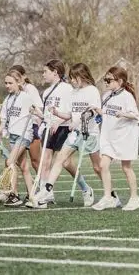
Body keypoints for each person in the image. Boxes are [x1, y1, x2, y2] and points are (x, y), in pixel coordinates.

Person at [33, 63, 103, 208]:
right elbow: (69, 114)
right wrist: (57, 113)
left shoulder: (92, 91)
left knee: (98, 167)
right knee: (60, 160)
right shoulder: (73, 92)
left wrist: (78, 121)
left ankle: (109, 193)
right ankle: (46, 190)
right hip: (75, 133)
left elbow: (94, 111)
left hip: (90, 134)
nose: (71, 81)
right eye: (70, 78)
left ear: (82, 76)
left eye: (74, 78)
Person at [92, 66, 139, 211]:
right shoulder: (106, 96)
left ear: (119, 81)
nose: (106, 83)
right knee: (103, 166)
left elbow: (135, 115)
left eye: (109, 80)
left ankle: (135, 198)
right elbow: (106, 113)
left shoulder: (127, 96)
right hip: (108, 137)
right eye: (105, 80)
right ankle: (109, 197)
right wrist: (96, 110)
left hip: (124, 137)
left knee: (126, 168)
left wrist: (123, 114)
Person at [0, 70, 41, 206]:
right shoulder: (8, 99)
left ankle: (12, 195)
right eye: (6, 83)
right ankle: (33, 197)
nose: (7, 85)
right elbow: (4, 120)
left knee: (10, 162)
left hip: (24, 135)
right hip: (13, 136)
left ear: (19, 82)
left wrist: (37, 113)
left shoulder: (25, 97)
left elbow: (38, 112)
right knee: (24, 166)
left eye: (10, 83)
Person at [31, 59, 74, 198]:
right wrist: (39, 114)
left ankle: (85, 187)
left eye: (45, 72)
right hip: (49, 128)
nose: (43, 75)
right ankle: (45, 192)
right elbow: (47, 114)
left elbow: (71, 112)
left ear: (55, 72)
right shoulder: (46, 92)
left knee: (66, 163)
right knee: (45, 161)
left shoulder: (67, 88)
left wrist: (59, 121)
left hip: (63, 128)